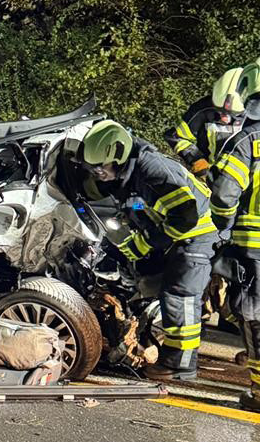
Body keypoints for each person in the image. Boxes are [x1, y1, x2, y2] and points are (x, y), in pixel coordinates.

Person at [79, 120, 217, 381]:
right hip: (179, 237)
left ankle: (180, 366)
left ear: (118, 156)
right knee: (170, 295)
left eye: (99, 167)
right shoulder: (132, 174)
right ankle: (172, 357)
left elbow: (185, 216)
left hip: (196, 235)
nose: (97, 173)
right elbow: (144, 205)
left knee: (180, 296)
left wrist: (143, 243)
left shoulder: (151, 170)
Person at [209, 71, 260, 412]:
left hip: (255, 248)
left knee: (256, 318)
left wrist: (223, 228)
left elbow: (225, 195)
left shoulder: (250, 141)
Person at [166, 66, 248, 179]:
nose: (224, 118)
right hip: (211, 177)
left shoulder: (255, 114)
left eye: (231, 114)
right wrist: (197, 160)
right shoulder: (202, 110)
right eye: (219, 111)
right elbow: (176, 137)